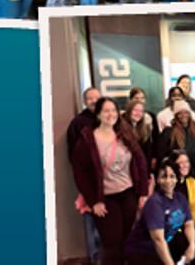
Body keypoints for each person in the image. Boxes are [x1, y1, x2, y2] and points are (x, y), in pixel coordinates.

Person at [70, 97, 151, 265]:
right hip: (104, 198)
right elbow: (80, 173)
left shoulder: (124, 133)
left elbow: (140, 161)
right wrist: (94, 202)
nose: (111, 114)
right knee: (112, 242)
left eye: (113, 110)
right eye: (106, 111)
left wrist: (143, 192)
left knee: (127, 238)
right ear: (98, 114)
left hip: (128, 194)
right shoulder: (88, 138)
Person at [126, 158, 195, 265]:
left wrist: (192, 245)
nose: (168, 181)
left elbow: (189, 224)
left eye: (172, 176)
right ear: (158, 180)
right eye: (164, 176)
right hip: (144, 251)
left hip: (166, 243)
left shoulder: (180, 198)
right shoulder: (155, 203)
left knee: (185, 243)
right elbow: (158, 240)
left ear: (177, 179)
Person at [67, 87, 106, 264]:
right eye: (89, 99)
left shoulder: (106, 119)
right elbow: (73, 157)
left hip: (109, 179)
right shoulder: (77, 123)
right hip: (89, 179)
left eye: (96, 98)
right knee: (91, 217)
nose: (93, 101)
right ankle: (95, 257)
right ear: (85, 101)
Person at [160, 104, 195, 178]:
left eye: (186, 112)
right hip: (181, 176)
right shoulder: (169, 133)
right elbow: (163, 156)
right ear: (176, 115)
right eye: (180, 113)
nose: (183, 115)